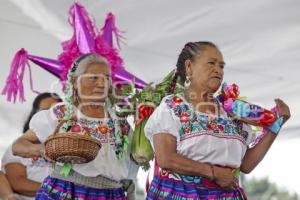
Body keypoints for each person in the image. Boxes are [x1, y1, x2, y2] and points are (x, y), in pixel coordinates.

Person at [144, 41, 291, 199]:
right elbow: (166, 158)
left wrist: (276, 125)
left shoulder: (231, 112)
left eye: (221, 66)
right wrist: (212, 172)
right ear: (189, 67)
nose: (218, 70)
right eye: (211, 63)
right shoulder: (171, 107)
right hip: (182, 194)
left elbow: (246, 164)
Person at [12, 53, 138, 200]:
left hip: (111, 194)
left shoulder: (119, 121)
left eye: (107, 78)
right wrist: (41, 149)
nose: (102, 83)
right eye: (94, 77)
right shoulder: (61, 114)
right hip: (67, 191)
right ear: (75, 81)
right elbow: (18, 146)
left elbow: (132, 162)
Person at [1, 92, 61, 200]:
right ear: (34, 116)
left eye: (55, 110)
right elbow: (17, 183)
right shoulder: (20, 145)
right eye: (45, 111)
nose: (50, 116)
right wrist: (58, 191)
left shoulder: (70, 145)